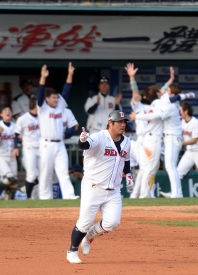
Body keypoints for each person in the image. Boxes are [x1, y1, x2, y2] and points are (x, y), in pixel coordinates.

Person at [66, 110, 133, 264]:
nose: (123, 125)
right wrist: (82, 140)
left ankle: (89, 237)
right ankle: (72, 251)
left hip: (114, 190)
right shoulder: (99, 137)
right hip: (93, 187)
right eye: (119, 122)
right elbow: (85, 144)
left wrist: (128, 174)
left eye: (124, 122)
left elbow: (126, 159)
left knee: (112, 222)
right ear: (110, 123)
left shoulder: (127, 142)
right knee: (84, 222)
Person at [130, 67, 195, 198]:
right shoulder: (159, 104)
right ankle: (145, 194)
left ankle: (148, 194)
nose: (162, 93)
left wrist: (172, 81)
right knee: (150, 168)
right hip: (151, 139)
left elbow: (165, 95)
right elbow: (165, 95)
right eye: (160, 93)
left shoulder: (159, 104)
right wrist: (187, 93)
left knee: (153, 167)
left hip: (157, 139)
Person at [37, 63, 79, 200]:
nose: (56, 99)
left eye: (57, 97)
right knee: (45, 172)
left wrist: (70, 74)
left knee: (63, 171)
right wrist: (43, 78)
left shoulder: (60, 106)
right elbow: (39, 94)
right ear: (47, 99)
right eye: (53, 98)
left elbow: (66, 91)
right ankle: (44, 197)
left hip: (59, 144)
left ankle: (69, 195)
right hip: (46, 144)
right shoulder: (42, 108)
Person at [124, 63, 150, 199]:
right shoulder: (139, 106)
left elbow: (162, 94)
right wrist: (132, 77)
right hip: (142, 140)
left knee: (148, 168)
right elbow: (135, 94)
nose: (141, 97)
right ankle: (139, 195)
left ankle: (143, 194)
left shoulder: (156, 107)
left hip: (152, 140)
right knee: (145, 168)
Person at [14, 97, 40, 199]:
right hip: (29, 149)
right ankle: (28, 198)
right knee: (32, 175)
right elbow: (16, 134)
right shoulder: (22, 118)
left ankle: (32, 194)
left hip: (42, 148)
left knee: (43, 175)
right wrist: (16, 147)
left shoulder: (43, 117)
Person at [0, 106, 18, 200]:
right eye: (5, 111)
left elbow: (19, 140)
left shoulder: (15, 126)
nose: (7, 112)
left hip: (12, 157)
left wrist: (18, 145)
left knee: (14, 181)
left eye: (9, 111)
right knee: (9, 177)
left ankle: (7, 201)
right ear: (1, 114)